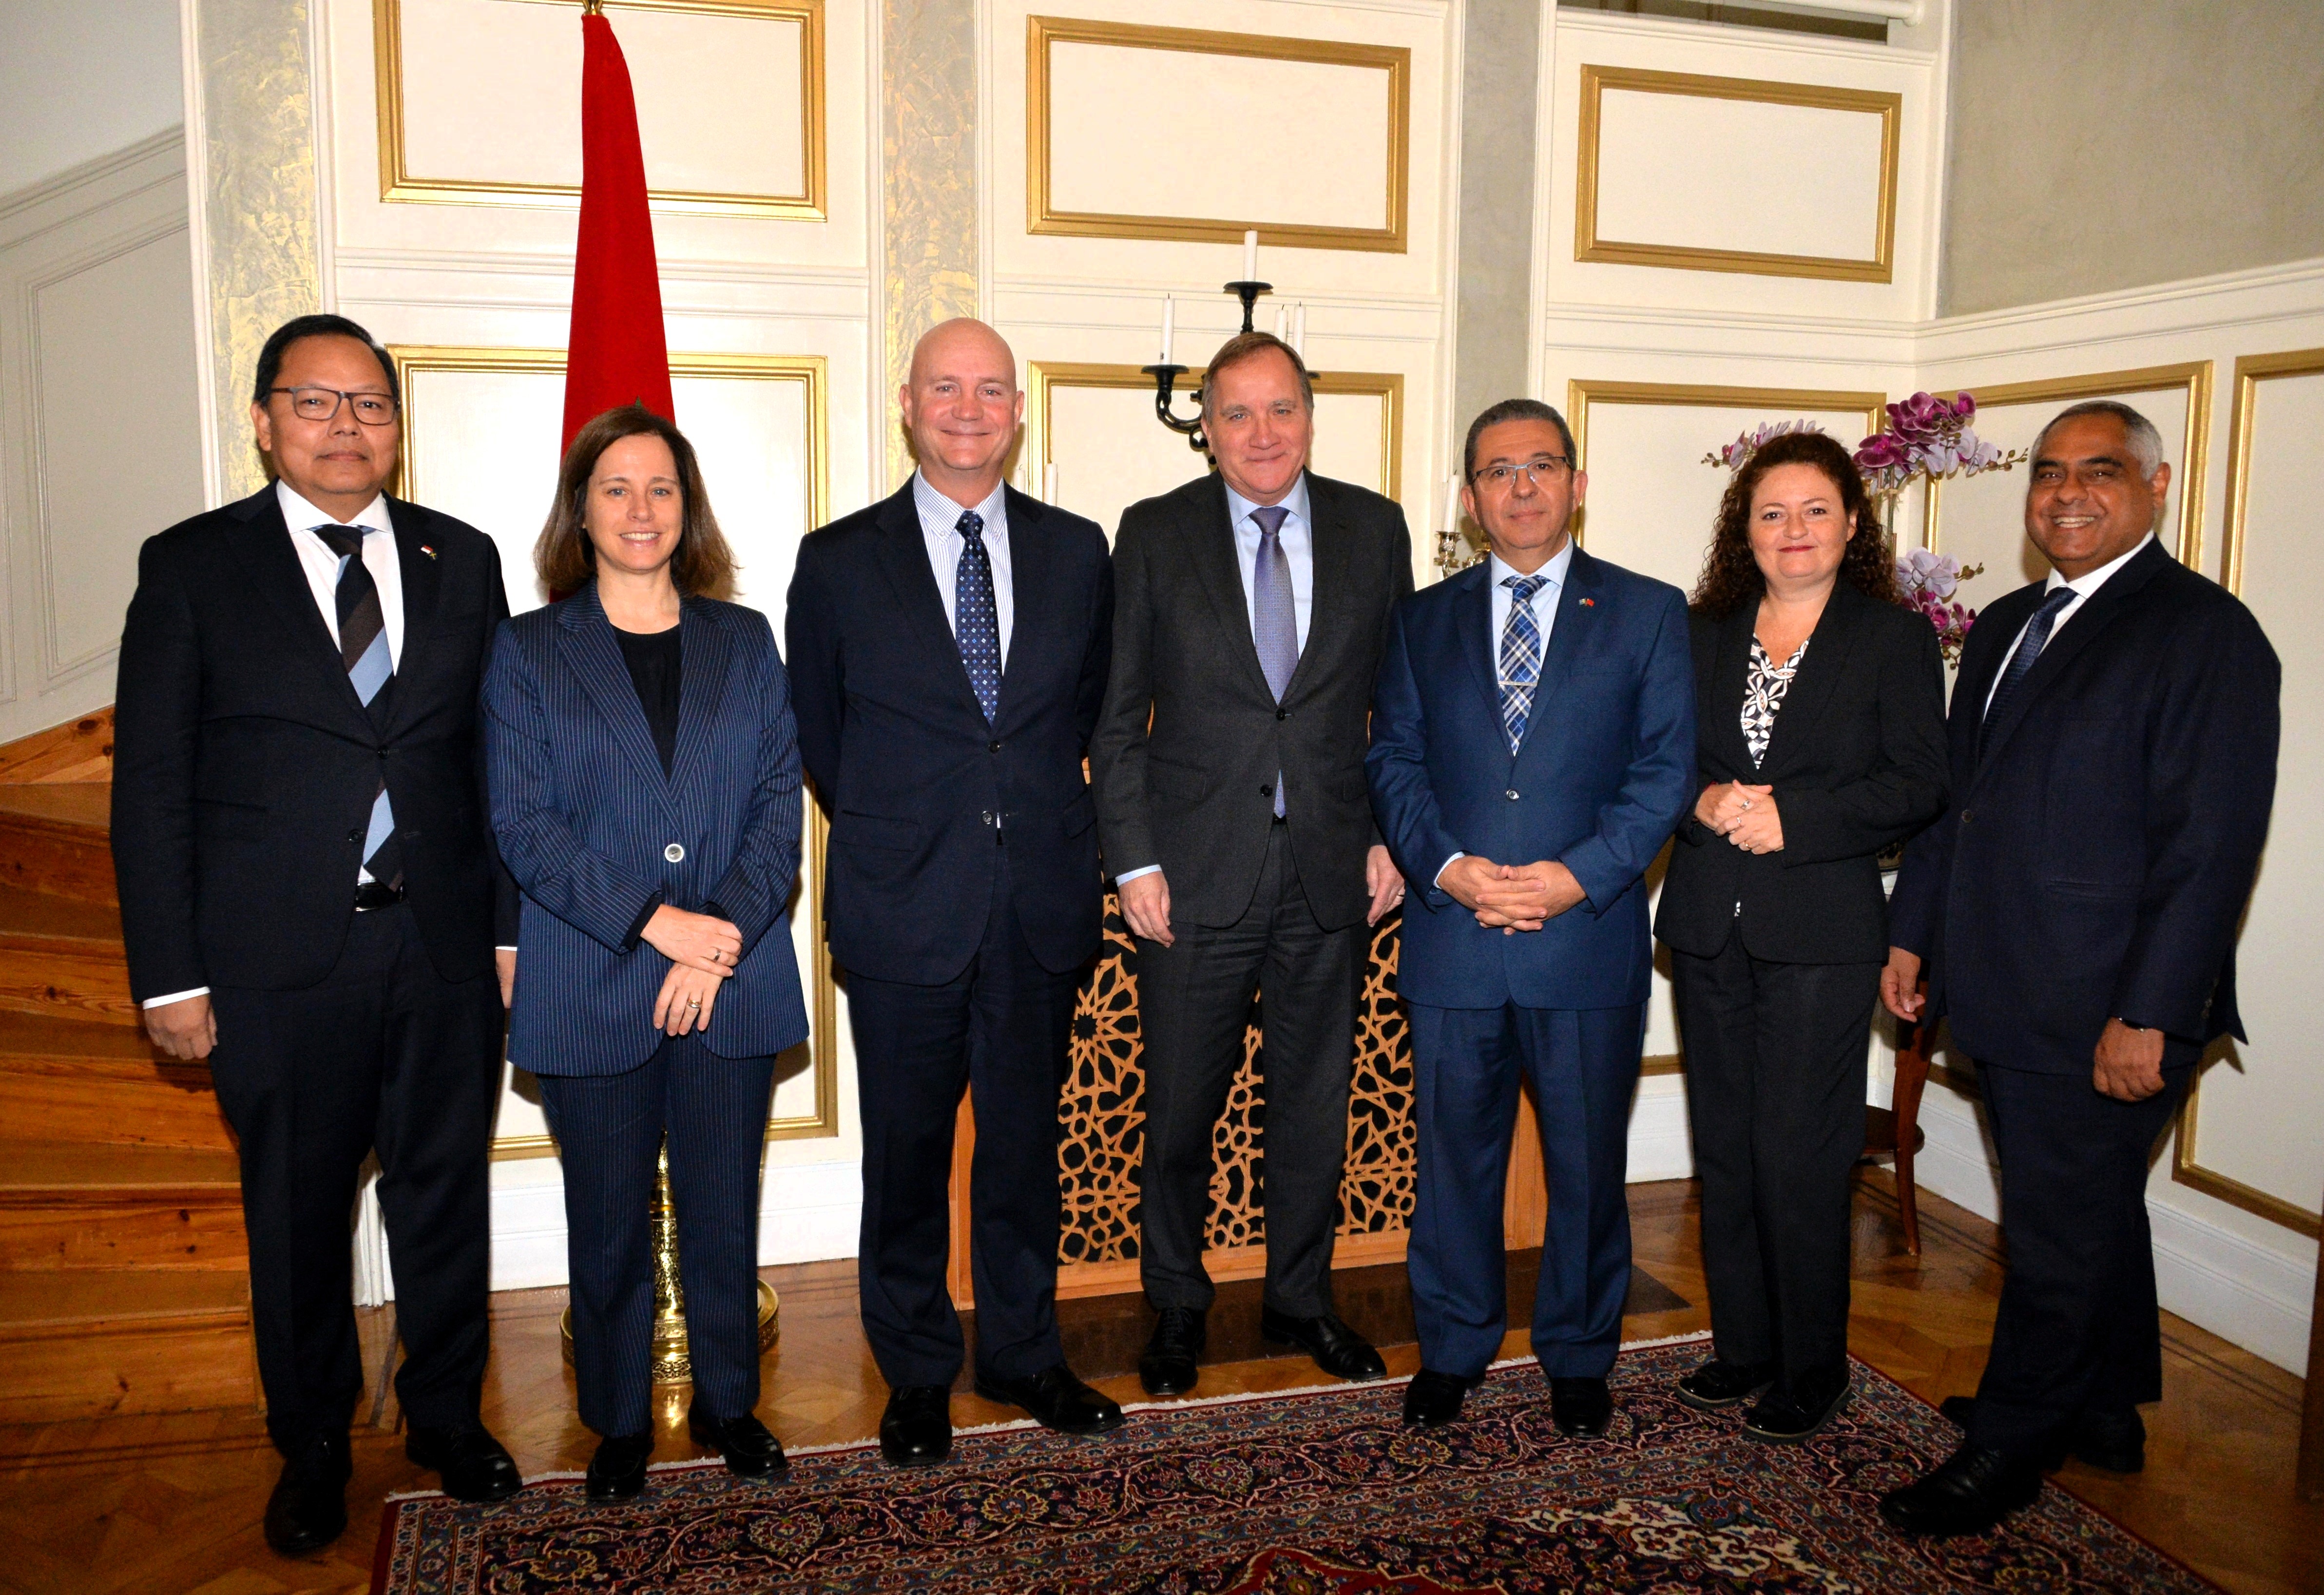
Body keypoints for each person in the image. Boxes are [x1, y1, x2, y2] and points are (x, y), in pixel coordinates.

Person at [111, 314, 521, 1555]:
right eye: (316, 401)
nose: (347, 426)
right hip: (278, 962)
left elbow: (497, 765)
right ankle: (314, 1442)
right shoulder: (193, 565)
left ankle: (446, 1413)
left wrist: (508, 933)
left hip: (441, 949)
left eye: (370, 404)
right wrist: (169, 976)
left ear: (397, 423)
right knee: (295, 1215)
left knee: (444, 1197)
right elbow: (152, 785)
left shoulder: (464, 557)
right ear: (264, 420)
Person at [1876, 401, 2279, 1535]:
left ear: (2157, 486)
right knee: (2088, 1206)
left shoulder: (2206, 633)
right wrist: (1914, 932)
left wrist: (2150, 1010)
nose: (2066, 493)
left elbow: (2211, 845)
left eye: (2099, 471)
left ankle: (2010, 1445)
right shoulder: (2010, 623)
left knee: (2055, 1232)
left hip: (2112, 999)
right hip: (2006, 983)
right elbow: (1961, 801)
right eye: (2049, 472)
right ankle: (2103, 1408)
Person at [786, 319, 1119, 1466]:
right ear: (907, 403)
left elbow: (1081, 713)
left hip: (1038, 903)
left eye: (989, 390)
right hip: (902, 905)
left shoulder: (1079, 551)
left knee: (1025, 1148)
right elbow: (822, 737)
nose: (968, 408)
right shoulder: (837, 560)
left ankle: (1024, 1352)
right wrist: (913, 826)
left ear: (1017, 411)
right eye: (945, 387)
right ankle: (918, 1370)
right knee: (907, 1155)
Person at [483, 404, 808, 1501]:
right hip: (593, 978)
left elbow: (777, 810)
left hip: (732, 977)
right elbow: (523, 824)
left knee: (723, 1208)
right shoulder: (528, 651)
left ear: (688, 508)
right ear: (581, 510)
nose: (640, 508)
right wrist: (656, 925)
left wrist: (714, 944)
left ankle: (730, 1402)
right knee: (608, 1219)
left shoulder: (745, 640)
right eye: (616, 488)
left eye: (661, 488)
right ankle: (618, 1418)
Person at [1091, 331, 1413, 1399]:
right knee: (1181, 1107)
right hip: (1192, 877)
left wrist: (1386, 832)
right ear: (1208, 429)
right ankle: (1177, 1301)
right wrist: (1133, 859)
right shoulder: (1154, 532)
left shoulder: (1374, 527)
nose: (1262, 432)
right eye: (1237, 413)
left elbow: (1398, 709)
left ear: (1310, 417)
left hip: (1330, 869)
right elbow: (1117, 716)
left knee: (1314, 1105)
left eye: (1281, 409)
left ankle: (1301, 1296)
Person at [1366, 397, 1694, 1433]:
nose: (1521, 486)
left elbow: (1665, 770)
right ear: (1470, 498)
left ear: (1576, 484)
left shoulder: (1648, 611)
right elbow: (1394, 758)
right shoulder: (1421, 618)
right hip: (1454, 937)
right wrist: (1449, 868)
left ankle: (1580, 1353)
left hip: (1583, 939)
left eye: (1541, 465)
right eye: (1497, 470)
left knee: (1587, 1167)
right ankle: (1453, 1347)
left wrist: (1576, 877)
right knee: (1451, 1165)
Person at [1653, 430, 1947, 1442]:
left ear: (1852, 523)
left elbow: (1919, 781)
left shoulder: (1892, 638)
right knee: (1727, 1147)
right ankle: (1743, 1347)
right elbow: (1653, 760)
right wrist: (1700, 800)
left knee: (1801, 1153)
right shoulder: (1699, 632)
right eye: (1771, 512)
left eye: (1815, 510)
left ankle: (1811, 1365)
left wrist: (1798, 819)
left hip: (1822, 933)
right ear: (1743, 529)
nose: (1794, 530)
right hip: (1707, 925)